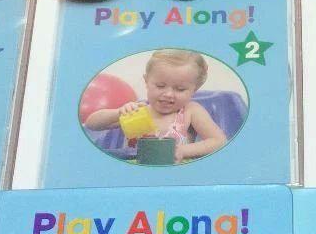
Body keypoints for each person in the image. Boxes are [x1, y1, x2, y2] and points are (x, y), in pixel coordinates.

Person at [85, 51, 227, 163]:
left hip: (175, 170)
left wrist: (184, 151)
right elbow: (92, 124)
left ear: (194, 89)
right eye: (160, 86)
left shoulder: (190, 111)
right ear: (147, 81)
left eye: (180, 89)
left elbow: (219, 141)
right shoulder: (138, 111)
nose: (168, 94)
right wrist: (117, 113)